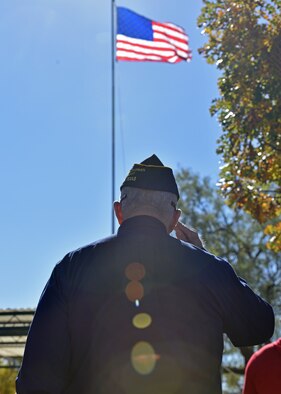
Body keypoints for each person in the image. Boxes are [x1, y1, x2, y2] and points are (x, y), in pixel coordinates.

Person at [16, 154, 274, 394]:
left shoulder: (71, 268)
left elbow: (35, 382)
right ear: (174, 220)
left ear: (119, 212)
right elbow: (258, 326)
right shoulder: (208, 269)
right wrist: (206, 257)